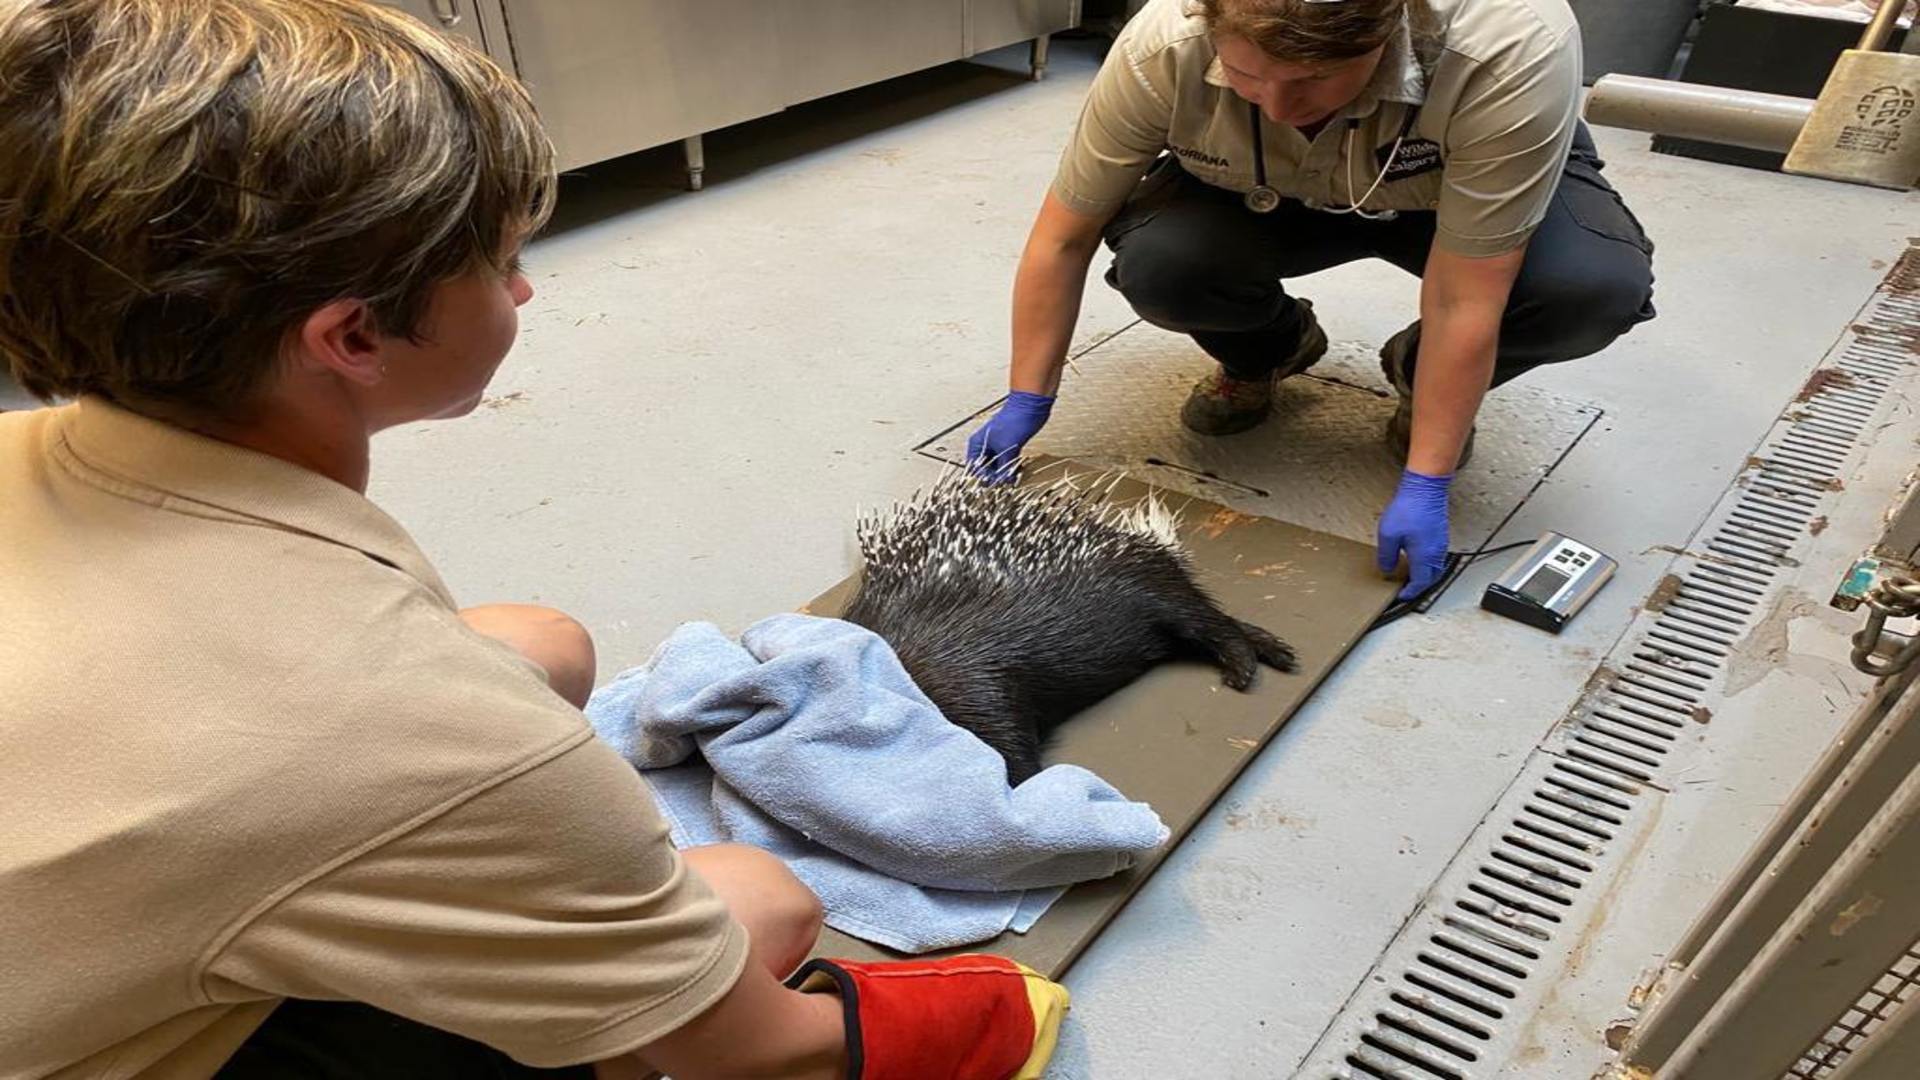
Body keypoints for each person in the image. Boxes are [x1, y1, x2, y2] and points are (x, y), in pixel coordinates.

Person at [0, 2, 1065, 1077]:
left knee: (539, 641)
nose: (523, 287)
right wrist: (989, 1011)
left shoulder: (28, 454)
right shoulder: (411, 727)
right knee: (764, 903)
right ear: (352, 333)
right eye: (502, 259)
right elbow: (763, 1053)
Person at [965, 0, 1655, 598]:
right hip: (1262, 189)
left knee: (1587, 291)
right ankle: (1267, 349)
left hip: (1452, 173)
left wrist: (1427, 479)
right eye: (1244, 75)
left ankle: (1422, 380)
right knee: (1162, 265)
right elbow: (1063, 238)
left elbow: (1465, 297)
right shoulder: (1164, 43)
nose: (1278, 106)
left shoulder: (1509, 48)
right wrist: (1029, 397)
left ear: (1385, 37)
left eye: (1313, 80)